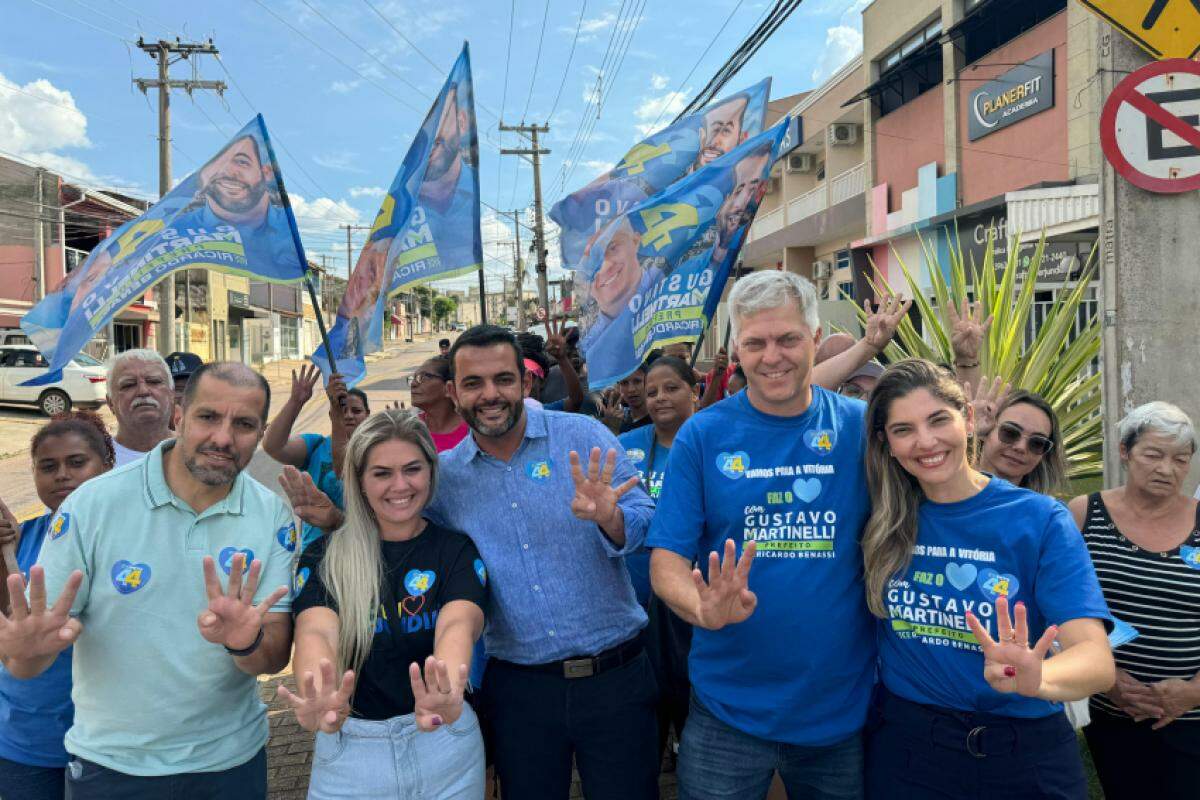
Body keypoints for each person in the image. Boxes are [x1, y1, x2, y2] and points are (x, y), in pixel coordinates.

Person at [647, 270, 908, 800]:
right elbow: (665, 561)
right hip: (727, 707)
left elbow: (940, 477)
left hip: (839, 708)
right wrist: (701, 608)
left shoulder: (862, 429)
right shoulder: (703, 434)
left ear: (814, 339)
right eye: (755, 343)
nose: (773, 356)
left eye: (788, 339)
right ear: (736, 350)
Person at [0, 362, 295, 797]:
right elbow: (30, 659)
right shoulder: (92, 505)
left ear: (261, 431)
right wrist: (21, 654)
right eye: (208, 417)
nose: (223, 438)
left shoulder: (272, 514)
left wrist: (244, 642)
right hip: (112, 765)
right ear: (179, 415)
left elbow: (270, 659)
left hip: (230, 762)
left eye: (245, 424)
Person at [861, 359, 1114, 800]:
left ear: (971, 419)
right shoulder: (879, 520)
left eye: (939, 420)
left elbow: (1095, 659)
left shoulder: (1039, 519)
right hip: (911, 750)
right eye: (904, 429)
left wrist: (1038, 678)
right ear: (886, 443)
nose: (926, 441)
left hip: (1024, 751)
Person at [426, 324, 659, 799]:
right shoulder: (445, 481)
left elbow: (645, 522)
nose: (491, 395)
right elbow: (403, 536)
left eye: (503, 379)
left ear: (526, 383)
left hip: (616, 680)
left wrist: (610, 518)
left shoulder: (583, 436)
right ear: (453, 392)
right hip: (519, 691)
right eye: (474, 383)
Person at [278, 410, 488, 799]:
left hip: (446, 744)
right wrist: (315, 689)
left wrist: (446, 685)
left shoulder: (455, 550)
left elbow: (458, 625)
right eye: (381, 473)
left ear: (431, 472)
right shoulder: (324, 556)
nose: (400, 485)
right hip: (350, 751)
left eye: (412, 469)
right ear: (359, 481)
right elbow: (317, 631)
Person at [1070, 402, 1200, 800]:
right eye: (1153, 454)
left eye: (1181, 459)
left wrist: (1192, 693)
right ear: (1125, 452)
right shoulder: (1084, 513)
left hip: (1193, 717)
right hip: (1111, 709)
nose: (1167, 469)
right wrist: (1108, 682)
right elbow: (1062, 606)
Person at [0, 411, 114, 800]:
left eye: (77, 462)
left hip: (113, 742)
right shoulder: (21, 538)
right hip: (28, 738)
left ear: (107, 464)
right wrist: (4, 557)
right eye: (48, 466)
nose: (62, 475)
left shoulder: (135, 536)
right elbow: (9, 633)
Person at [619, 355, 698, 764]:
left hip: (692, 604)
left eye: (671, 388)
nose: (659, 398)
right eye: (651, 392)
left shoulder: (710, 440)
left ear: (695, 392)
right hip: (636, 606)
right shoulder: (626, 446)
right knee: (643, 715)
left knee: (690, 700)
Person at [263, 363, 370, 550]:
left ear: (368, 415)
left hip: (360, 549)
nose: (349, 416)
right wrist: (296, 401)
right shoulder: (316, 445)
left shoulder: (376, 452)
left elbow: (344, 468)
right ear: (332, 414)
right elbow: (273, 446)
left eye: (357, 411)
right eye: (342, 410)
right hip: (314, 551)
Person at [975, 389, 1067, 496]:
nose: (1021, 447)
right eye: (1010, 432)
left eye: (1037, 443)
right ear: (985, 431)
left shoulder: (1046, 510)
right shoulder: (951, 492)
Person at [105, 349, 175, 466]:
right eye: (129, 384)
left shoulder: (195, 451)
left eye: (154, 381)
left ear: (171, 394)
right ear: (110, 402)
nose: (143, 391)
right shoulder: (99, 460)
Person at [410, 355, 469, 452]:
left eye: (423, 378)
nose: (413, 384)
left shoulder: (474, 433)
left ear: (448, 388)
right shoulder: (411, 428)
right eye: (414, 378)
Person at [688, 92, 750, 173]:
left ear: (741, 139)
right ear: (701, 135)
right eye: (709, 132)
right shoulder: (677, 182)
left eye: (725, 131)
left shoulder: (742, 183)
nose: (713, 142)